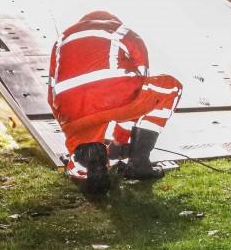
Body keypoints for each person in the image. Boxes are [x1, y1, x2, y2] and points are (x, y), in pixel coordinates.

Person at [47, 11, 183, 193]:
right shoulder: (123, 31)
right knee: (169, 87)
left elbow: (52, 94)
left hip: (70, 112)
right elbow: (140, 84)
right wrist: (120, 140)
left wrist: (71, 128)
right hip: (115, 97)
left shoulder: (61, 39)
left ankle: (84, 160)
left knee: (80, 161)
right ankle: (139, 162)